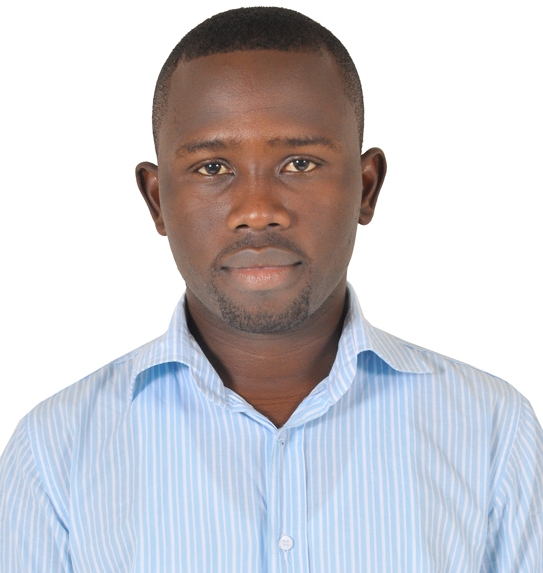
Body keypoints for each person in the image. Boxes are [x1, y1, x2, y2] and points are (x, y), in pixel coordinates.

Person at [0, 7, 541, 572]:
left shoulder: (492, 432)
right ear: (157, 200)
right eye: (213, 168)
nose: (257, 211)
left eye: (299, 163)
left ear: (367, 188)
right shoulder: (55, 454)